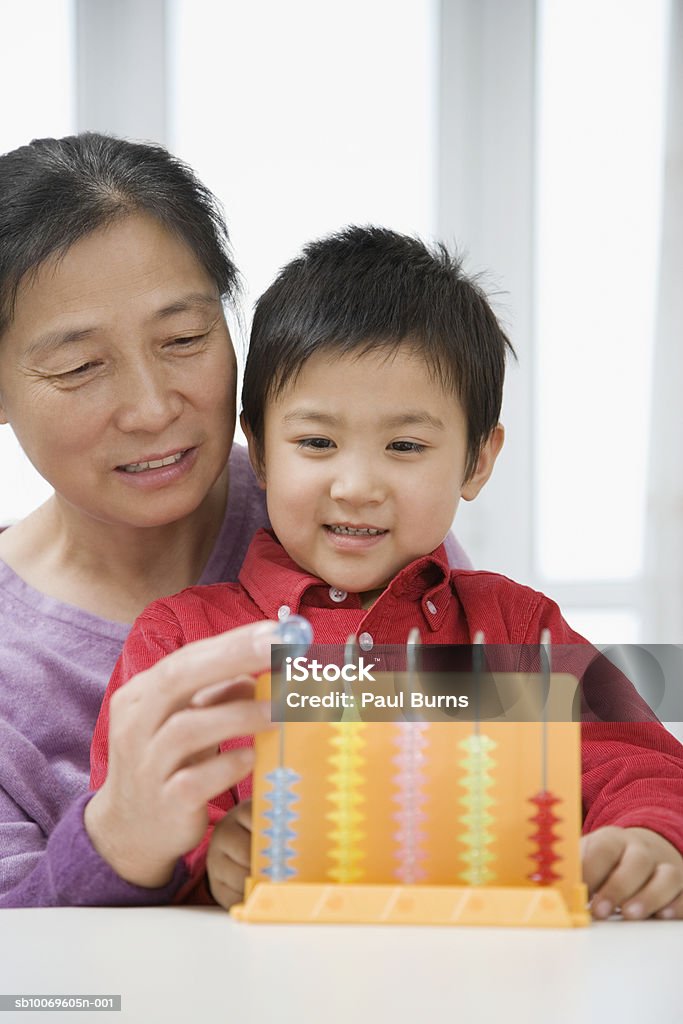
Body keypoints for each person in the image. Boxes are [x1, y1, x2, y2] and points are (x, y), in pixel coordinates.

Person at [92, 226, 683, 920]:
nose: (356, 485)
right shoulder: (182, 641)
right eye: (316, 442)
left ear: (476, 461)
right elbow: (135, 820)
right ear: (256, 444)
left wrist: (649, 836)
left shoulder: (520, 630)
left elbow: (638, 763)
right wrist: (207, 856)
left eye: (404, 445)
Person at [0, 136, 470, 907]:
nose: (153, 409)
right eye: (80, 366)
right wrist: (115, 840)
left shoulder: (346, 513)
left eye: (185, 339)